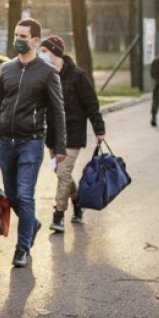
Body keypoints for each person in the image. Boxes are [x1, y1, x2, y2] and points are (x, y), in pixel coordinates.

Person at [0, 18, 66, 268]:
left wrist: (59, 147)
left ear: (36, 40)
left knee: (25, 196)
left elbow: (58, 111)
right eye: (16, 34)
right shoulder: (7, 69)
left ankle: (22, 248)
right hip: (6, 143)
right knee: (12, 196)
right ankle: (32, 224)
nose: (18, 40)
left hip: (31, 143)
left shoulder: (48, 73)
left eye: (23, 36)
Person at [37, 36, 105, 232]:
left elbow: (91, 103)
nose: (42, 55)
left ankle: (58, 215)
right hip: (53, 134)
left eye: (45, 51)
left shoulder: (77, 76)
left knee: (64, 173)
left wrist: (99, 129)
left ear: (55, 53)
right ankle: (78, 201)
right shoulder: (45, 75)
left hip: (73, 133)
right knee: (61, 174)